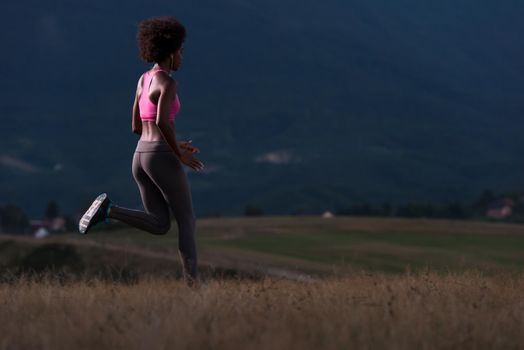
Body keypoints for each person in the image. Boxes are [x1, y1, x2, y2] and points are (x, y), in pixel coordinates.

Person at [78, 16, 204, 287]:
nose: (182, 57)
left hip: (140, 156)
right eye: (180, 51)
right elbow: (161, 122)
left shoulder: (143, 79)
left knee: (160, 224)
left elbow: (137, 125)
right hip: (160, 156)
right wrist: (178, 154)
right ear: (170, 53)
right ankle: (194, 285)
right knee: (186, 220)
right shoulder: (168, 84)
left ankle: (109, 210)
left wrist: (176, 143)